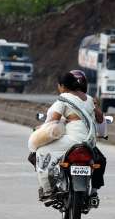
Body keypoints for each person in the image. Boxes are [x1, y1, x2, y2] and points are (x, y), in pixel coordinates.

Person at [34, 70, 104, 201]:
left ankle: (48, 190)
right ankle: (93, 191)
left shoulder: (64, 99)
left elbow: (52, 121)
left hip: (73, 140)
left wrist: (40, 129)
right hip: (89, 141)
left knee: (41, 150)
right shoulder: (89, 99)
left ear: (62, 86)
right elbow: (100, 119)